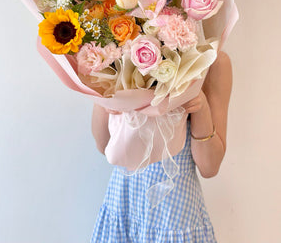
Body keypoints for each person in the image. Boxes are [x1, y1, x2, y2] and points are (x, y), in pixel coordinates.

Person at [90, 50, 233, 243]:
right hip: (123, 205)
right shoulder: (120, 53)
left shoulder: (213, 62)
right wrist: (104, 101)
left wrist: (201, 106)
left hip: (173, 218)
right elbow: (103, 145)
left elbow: (209, 167)